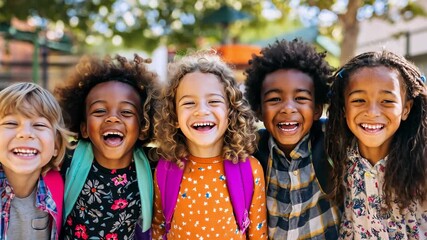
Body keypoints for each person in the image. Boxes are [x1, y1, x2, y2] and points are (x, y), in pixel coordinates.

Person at [151, 50, 267, 239]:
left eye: (213, 101)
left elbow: (258, 234)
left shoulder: (250, 169)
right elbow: (158, 228)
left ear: (231, 110)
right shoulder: (166, 169)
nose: (201, 111)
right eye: (189, 103)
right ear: (173, 115)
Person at [244, 38, 341, 239]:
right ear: (259, 110)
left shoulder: (332, 141)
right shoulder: (251, 150)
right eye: (274, 99)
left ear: (316, 109)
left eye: (301, 98)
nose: (288, 108)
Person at [55, 54, 158, 239]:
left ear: (143, 128)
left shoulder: (155, 166)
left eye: (126, 112)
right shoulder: (66, 160)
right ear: (84, 128)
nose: (112, 118)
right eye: (100, 111)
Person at [325, 50, 427, 239]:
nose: (372, 112)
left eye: (387, 101)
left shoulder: (421, 161)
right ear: (344, 108)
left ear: (406, 109)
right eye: (358, 100)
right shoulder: (338, 155)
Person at [0, 82, 72, 240]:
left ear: (56, 145)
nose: (25, 134)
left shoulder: (61, 187)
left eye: (39, 125)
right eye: (11, 123)